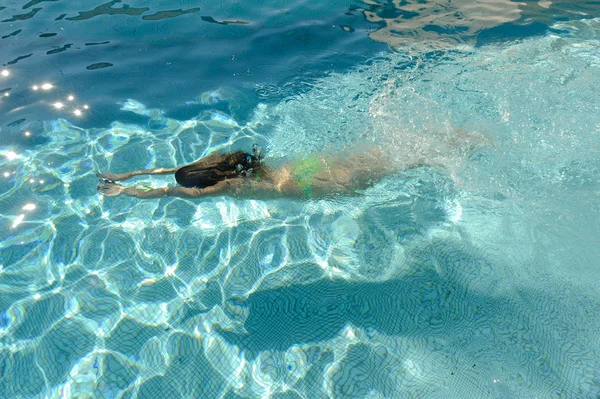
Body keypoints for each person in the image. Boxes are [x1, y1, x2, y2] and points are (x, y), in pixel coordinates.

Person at [97, 144, 396, 199]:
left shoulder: (223, 187)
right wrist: (131, 174)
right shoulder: (220, 162)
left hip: (304, 187)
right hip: (305, 167)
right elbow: (173, 171)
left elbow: (166, 191)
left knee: (394, 169)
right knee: (380, 159)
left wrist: (125, 190)